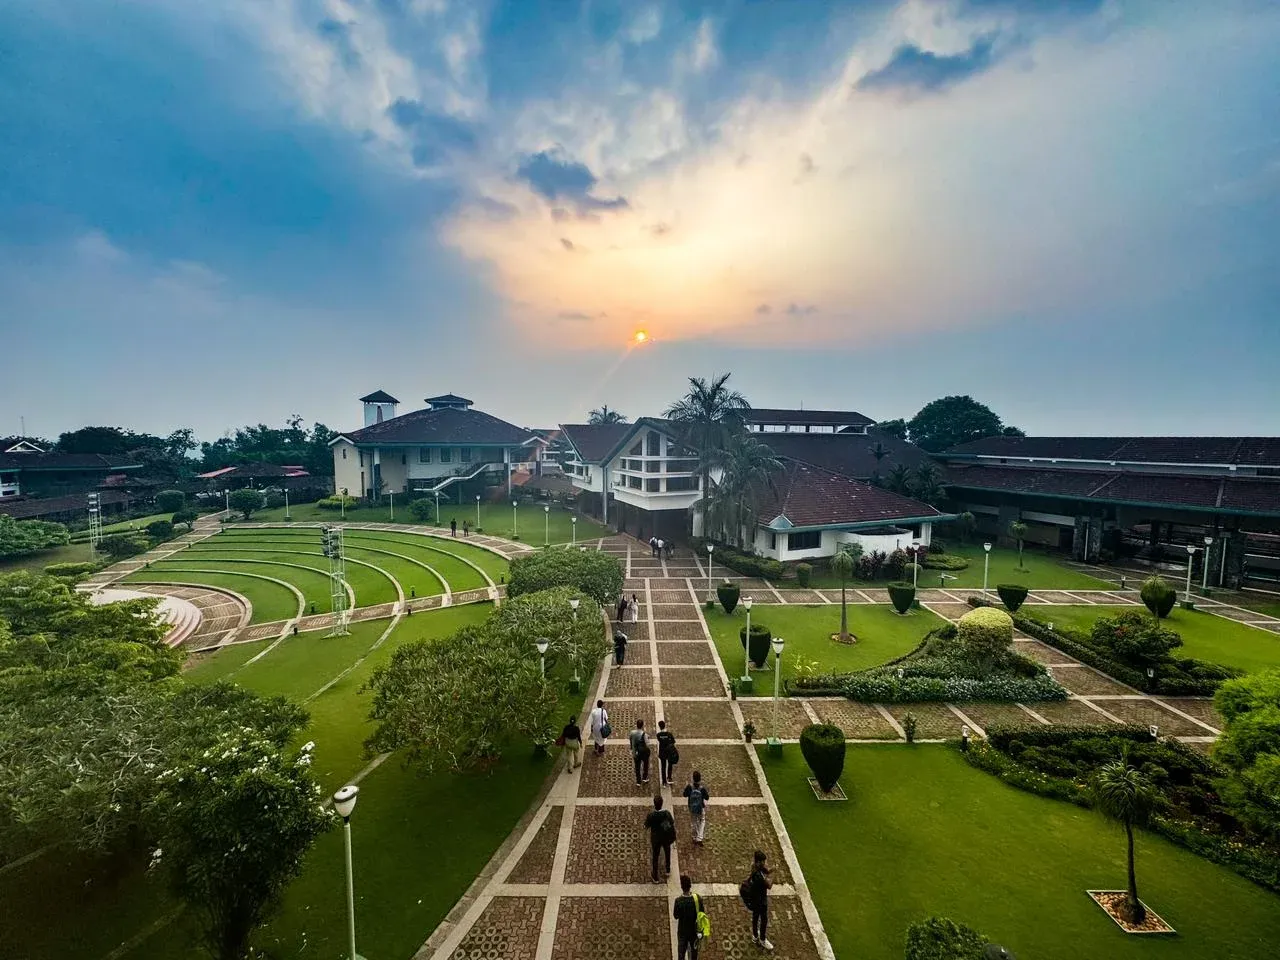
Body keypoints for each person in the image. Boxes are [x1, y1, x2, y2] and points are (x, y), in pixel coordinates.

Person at [643, 795, 676, 882]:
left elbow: (645, 826)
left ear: (654, 804)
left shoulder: (651, 815)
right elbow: (672, 822)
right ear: (662, 803)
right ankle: (668, 870)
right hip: (666, 837)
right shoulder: (666, 813)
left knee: (655, 856)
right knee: (667, 852)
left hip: (656, 838)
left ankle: (655, 876)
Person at [747, 850, 774, 950]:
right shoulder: (758, 875)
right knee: (764, 919)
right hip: (760, 900)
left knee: (755, 917)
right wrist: (774, 875)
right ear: (759, 862)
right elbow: (769, 885)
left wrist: (770, 870)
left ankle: (755, 936)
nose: (765, 863)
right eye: (763, 861)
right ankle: (762, 939)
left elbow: (766, 870)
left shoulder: (754, 866)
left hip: (754, 898)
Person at [673, 874, 703, 960]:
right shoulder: (698, 899)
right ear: (690, 885)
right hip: (694, 930)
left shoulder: (678, 901)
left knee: (681, 953)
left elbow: (676, 916)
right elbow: (702, 913)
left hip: (683, 931)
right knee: (694, 951)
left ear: (681, 886)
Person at [683, 770, 710, 844]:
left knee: (693, 822)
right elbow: (707, 797)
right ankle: (700, 837)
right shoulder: (702, 788)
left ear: (693, 778)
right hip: (700, 808)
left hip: (691, 807)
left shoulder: (689, 787)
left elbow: (684, 795)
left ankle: (694, 837)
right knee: (702, 821)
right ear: (700, 779)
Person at [656, 720, 677, 787]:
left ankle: (664, 781)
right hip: (669, 752)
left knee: (663, 767)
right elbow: (673, 742)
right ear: (665, 726)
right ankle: (669, 778)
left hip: (662, 752)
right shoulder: (669, 734)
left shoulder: (658, 735)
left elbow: (660, 740)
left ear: (659, 727)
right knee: (670, 765)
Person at [629, 718, 650, 786]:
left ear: (636, 725)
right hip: (643, 753)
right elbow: (647, 744)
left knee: (637, 766)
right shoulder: (644, 734)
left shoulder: (632, 732)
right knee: (645, 764)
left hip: (635, 752)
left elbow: (630, 740)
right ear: (642, 725)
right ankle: (644, 777)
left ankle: (638, 781)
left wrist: (632, 748)